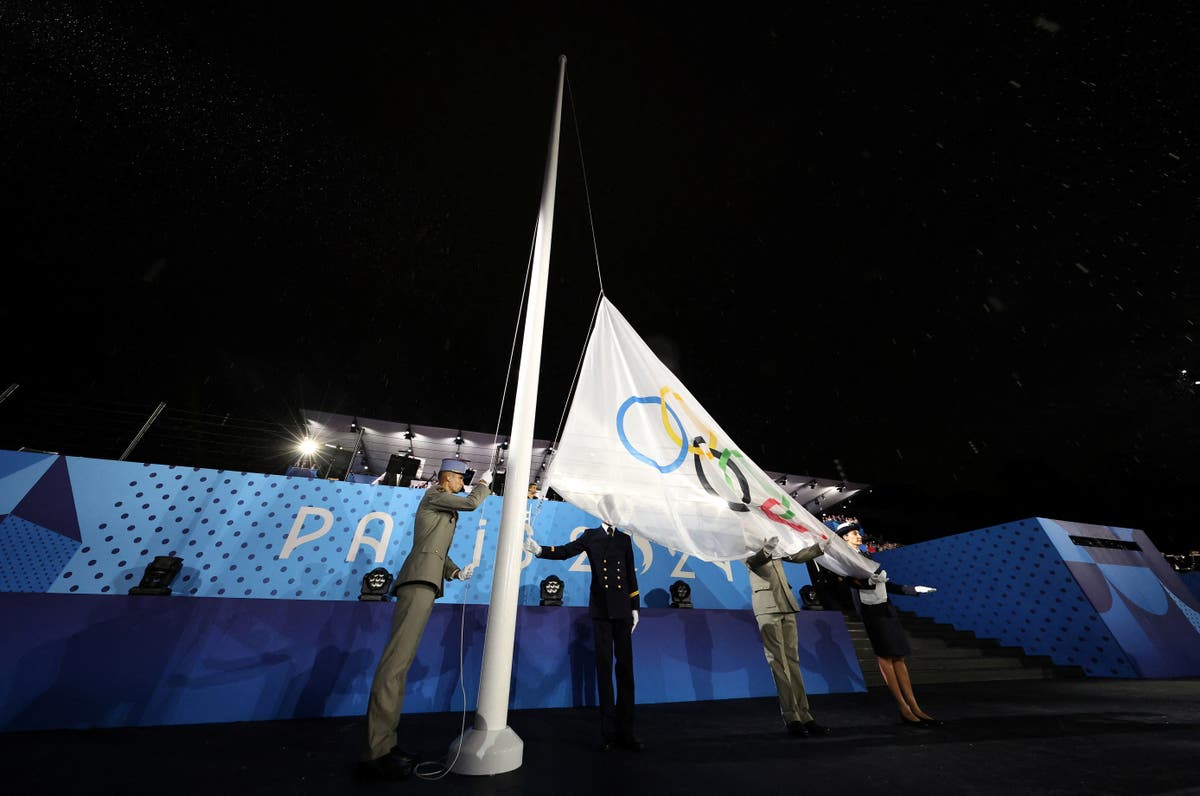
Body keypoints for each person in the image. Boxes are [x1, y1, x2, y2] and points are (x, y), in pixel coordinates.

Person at [360, 458, 493, 780]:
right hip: (417, 582)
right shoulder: (434, 494)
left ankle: (387, 745)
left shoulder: (442, 509)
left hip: (426, 582)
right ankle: (378, 751)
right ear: (449, 478)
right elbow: (473, 503)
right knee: (395, 665)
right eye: (462, 479)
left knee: (400, 666)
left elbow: (436, 549)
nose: (464, 484)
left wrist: (456, 571)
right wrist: (484, 485)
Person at [524, 509, 642, 752]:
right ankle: (609, 733)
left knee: (626, 672)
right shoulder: (591, 536)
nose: (614, 515)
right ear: (602, 513)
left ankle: (626, 732)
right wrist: (540, 551)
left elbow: (630, 574)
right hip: (601, 611)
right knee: (604, 671)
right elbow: (567, 551)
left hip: (622, 611)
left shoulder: (624, 539)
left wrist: (635, 607)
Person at [837, 523, 942, 728]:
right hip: (871, 611)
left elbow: (885, 584)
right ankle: (903, 707)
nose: (859, 536)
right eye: (854, 533)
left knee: (899, 656)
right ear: (844, 538)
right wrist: (869, 582)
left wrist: (914, 589)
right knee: (885, 657)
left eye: (858, 532)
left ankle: (915, 706)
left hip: (885, 607)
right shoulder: (845, 558)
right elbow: (849, 582)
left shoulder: (865, 556)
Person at [744, 535, 834, 737]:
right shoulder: (744, 541)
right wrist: (766, 550)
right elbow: (753, 562)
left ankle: (806, 715)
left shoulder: (774, 541)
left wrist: (819, 547)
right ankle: (791, 717)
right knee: (778, 663)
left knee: (793, 662)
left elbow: (795, 556)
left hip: (787, 603)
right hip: (767, 606)